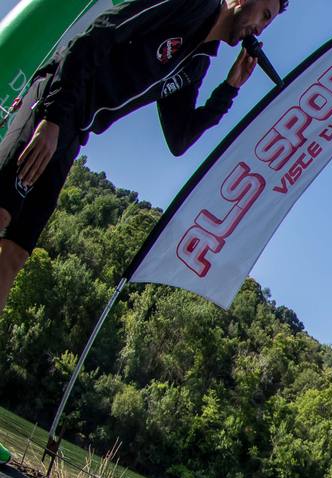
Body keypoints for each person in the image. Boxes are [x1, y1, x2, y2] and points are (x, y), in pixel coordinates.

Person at [0, 0, 287, 315]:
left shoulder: (197, 63)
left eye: (268, 22)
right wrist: (52, 119)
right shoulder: (190, 6)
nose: (260, 28)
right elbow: (96, 35)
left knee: (15, 253)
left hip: (76, 131)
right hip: (55, 103)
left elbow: (180, 137)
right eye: (264, 14)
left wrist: (229, 89)